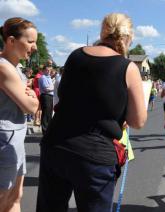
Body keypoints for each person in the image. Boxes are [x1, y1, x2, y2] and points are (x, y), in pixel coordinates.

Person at [36, 13, 147, 211]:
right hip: (94, 154)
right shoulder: (128, 67)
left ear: (102, 32)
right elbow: (138, 120)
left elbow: (60, 97)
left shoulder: (75, 56)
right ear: (129, 37)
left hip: (56, 143)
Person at [0, 17, 39, 212]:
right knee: (3, 199)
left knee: (16, 196)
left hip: (15, 139)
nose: (34, 47)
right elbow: (30, 107)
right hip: (5, 141)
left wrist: (32, 97)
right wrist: (33, 99)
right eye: (30, 41)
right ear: (11, 41)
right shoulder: (3, 67)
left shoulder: (15, 68)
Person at [38, 64, 54, 135]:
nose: (48, 71)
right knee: (45, 113)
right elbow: (46, 89)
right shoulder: (43, 77)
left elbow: (50, 88)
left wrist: (51, 88)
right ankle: (45, 131)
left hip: (50, 96)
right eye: (47, 70)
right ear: (43, 70)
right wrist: (53, 88)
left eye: (49, 70)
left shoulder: (49, 77)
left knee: (49, 113)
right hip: (45, 96)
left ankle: (49, 130)